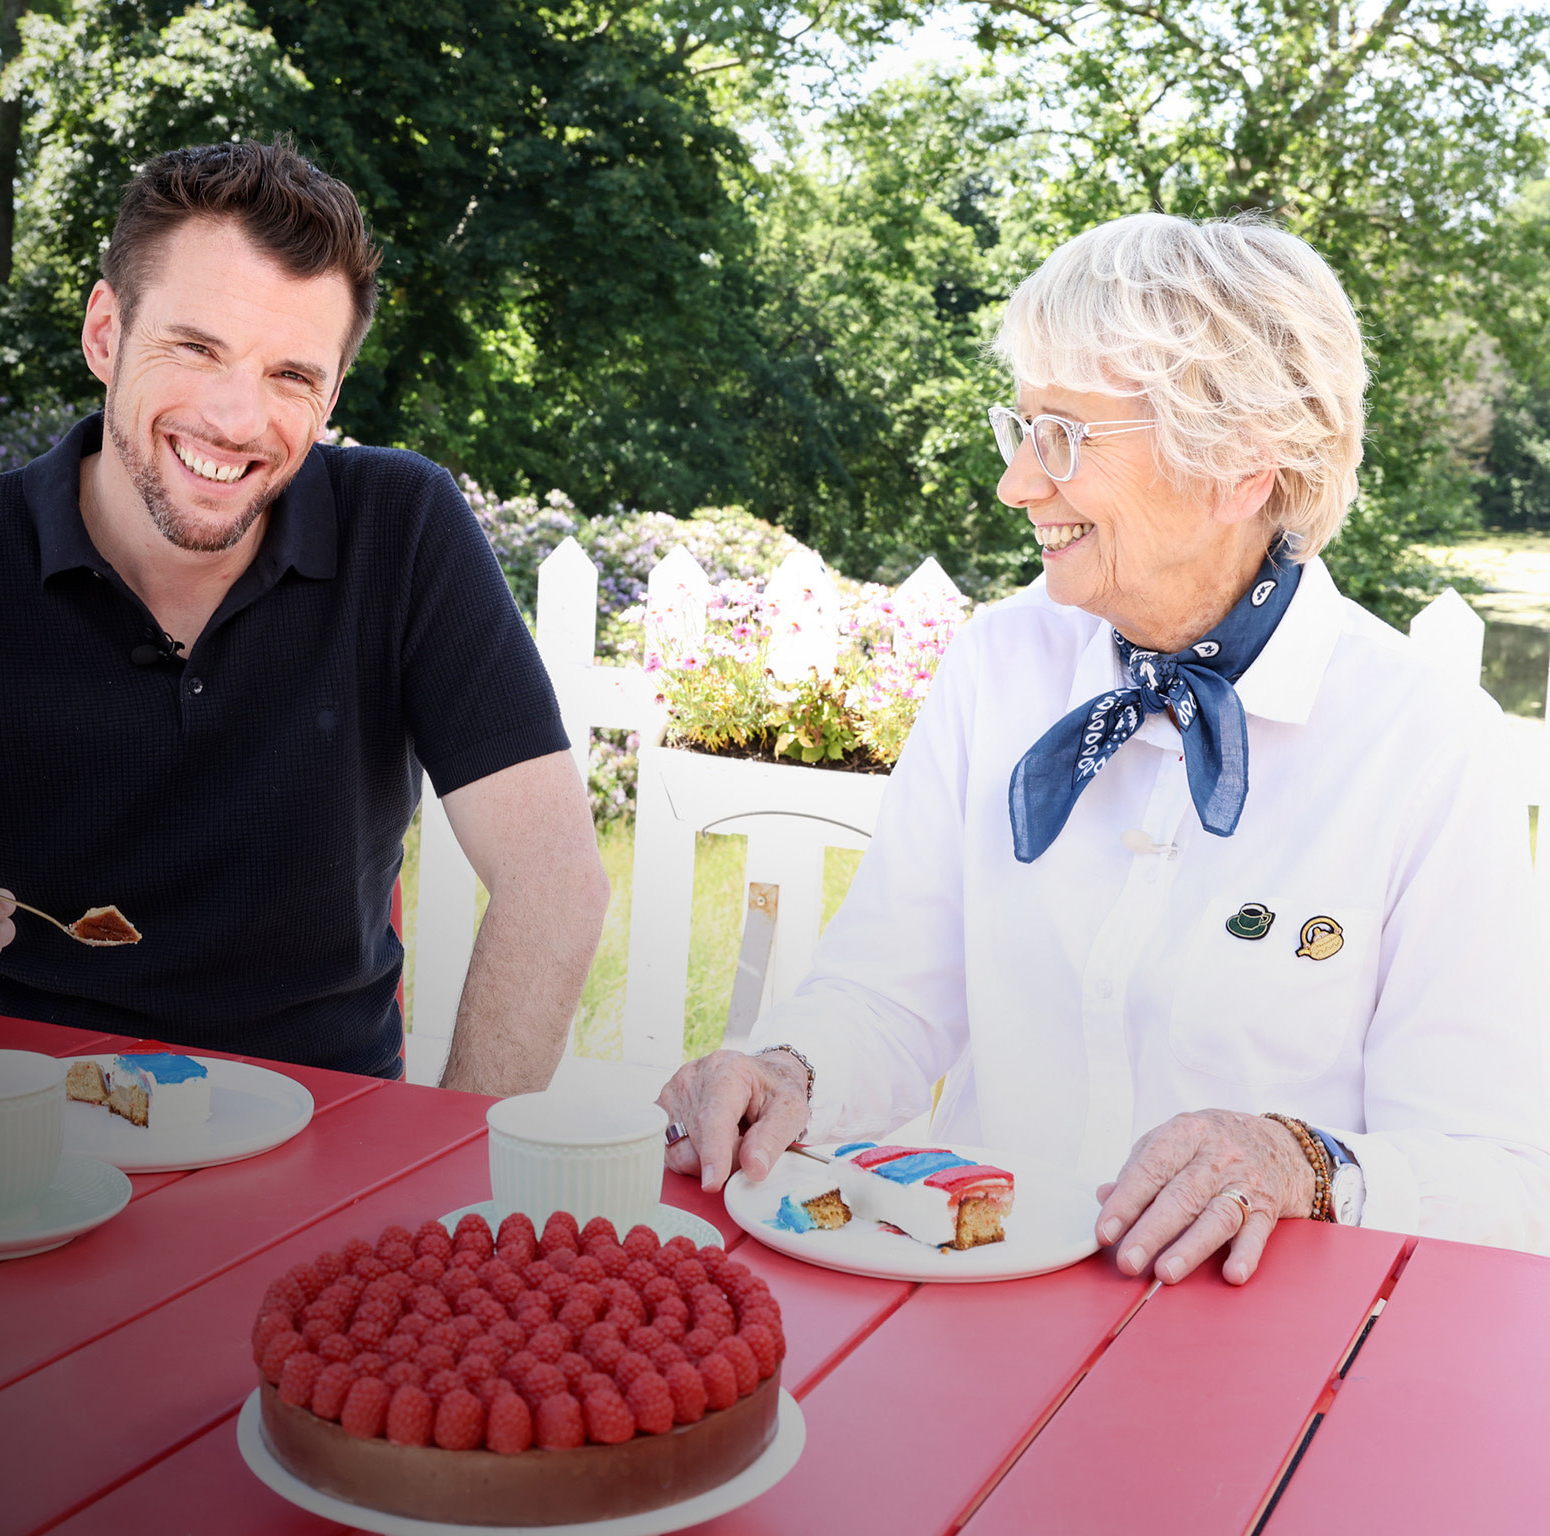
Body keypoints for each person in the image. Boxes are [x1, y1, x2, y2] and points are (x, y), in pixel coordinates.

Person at [657, 212, 1550, 1279]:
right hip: (978, 1311)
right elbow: (890, 995)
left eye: (1065, 436)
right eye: (1021, 426)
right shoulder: (997, 665)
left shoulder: (1427, 748)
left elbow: (1490, 1166)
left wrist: (1296, 1162)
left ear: (1238, 467)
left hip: (1269, 1357)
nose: (1016, 485)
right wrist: (788, 1071)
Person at [0, 141, 610, 1093]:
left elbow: (554, 884)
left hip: (327, 1134)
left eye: (292, 376)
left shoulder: (404, 526)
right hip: (15, 1143)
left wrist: (446, 1180)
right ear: (104, 332)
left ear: (332, 395)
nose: (236, 419)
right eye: (195, 347)